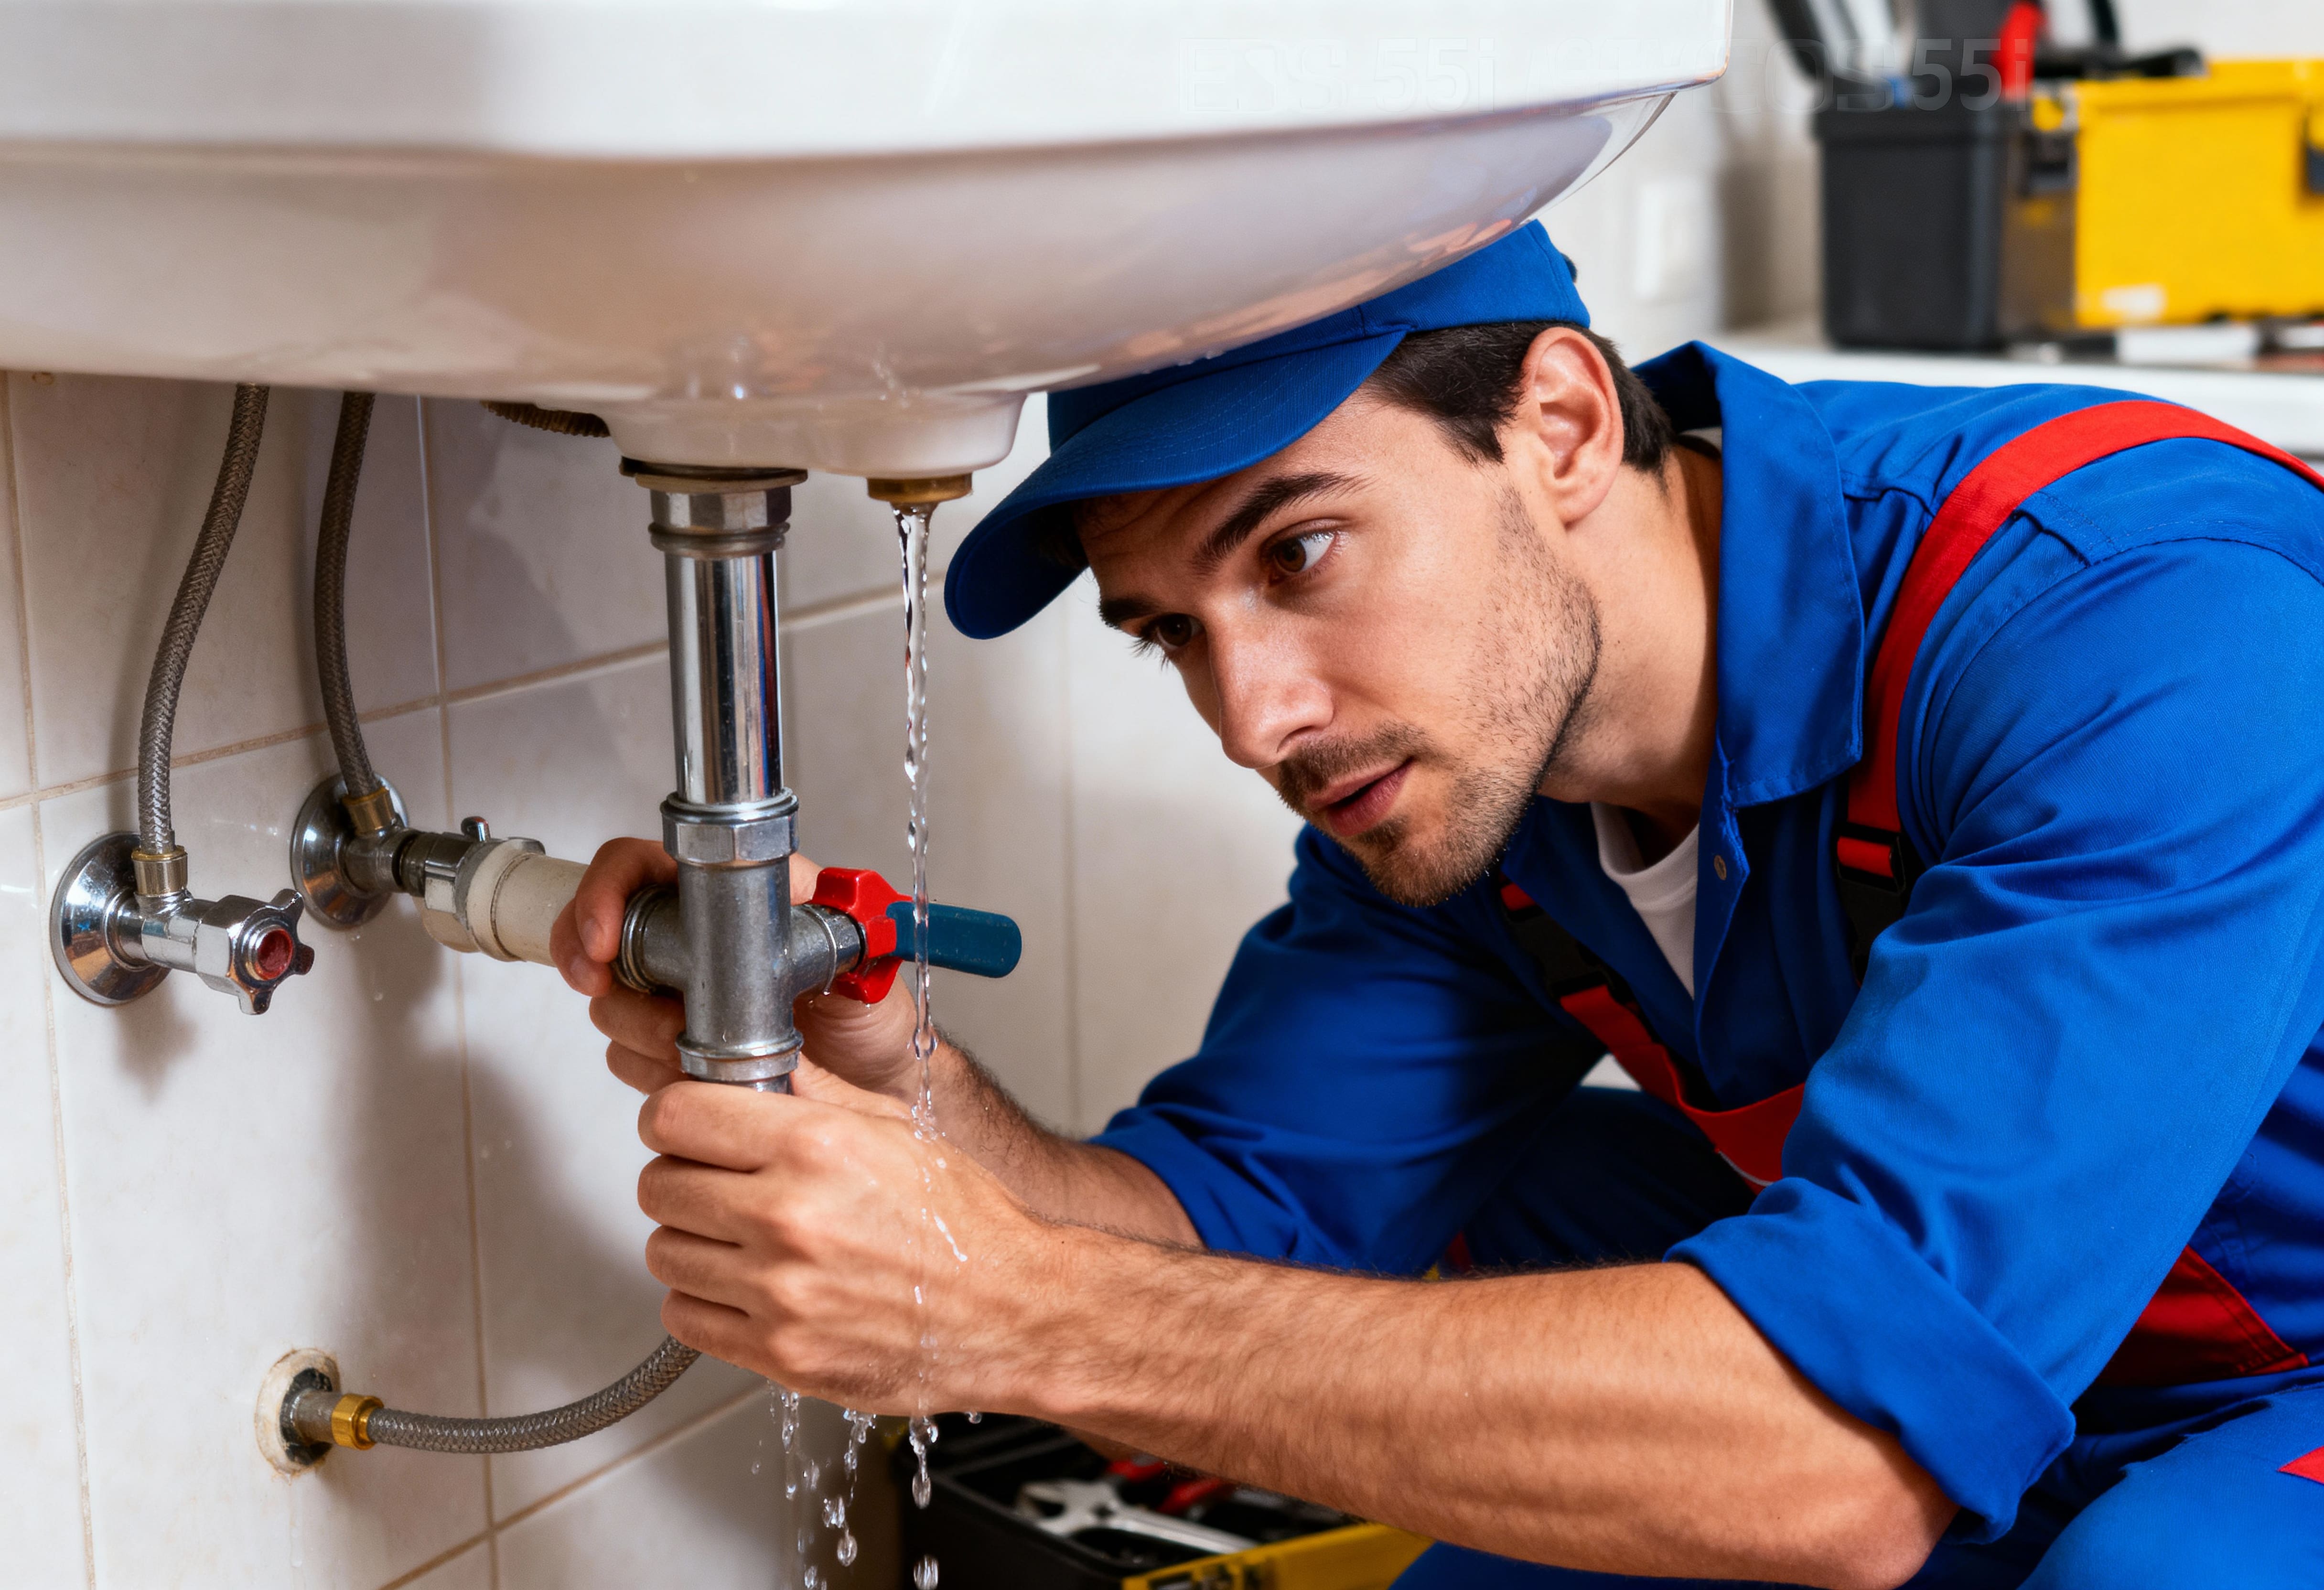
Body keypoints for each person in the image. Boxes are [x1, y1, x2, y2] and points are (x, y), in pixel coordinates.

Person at [550, 222, 2324, 1588]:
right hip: (2040, 1339)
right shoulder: (1465, 792)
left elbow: (1830, 1459)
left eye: (1299, 554)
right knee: (1506, 1252)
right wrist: (896, 1076)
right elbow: (1213, 1231)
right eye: (1174, 630)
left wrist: (1011, 1312)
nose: (1256, 719)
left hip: (2281, 1359)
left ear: (1556, 421)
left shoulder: (2133, 628)